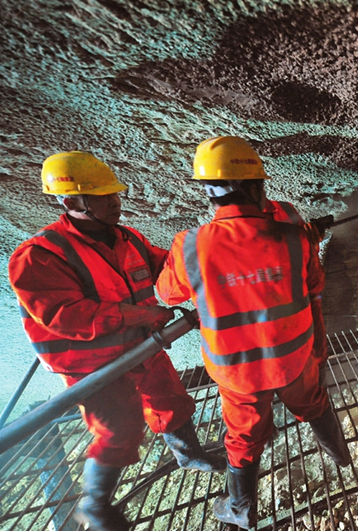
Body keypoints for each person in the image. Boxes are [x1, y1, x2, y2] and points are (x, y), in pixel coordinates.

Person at [8, 151, 226, 531]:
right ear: (72, 201)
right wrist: (144, 316)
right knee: (118, 431)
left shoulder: (127, 238)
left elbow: (165, 268)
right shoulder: (39, 256)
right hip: (95, 366)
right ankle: (94, 506)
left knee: (170, 399)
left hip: (144, 347)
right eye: (102, 196)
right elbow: (65, 315)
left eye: (114, 194)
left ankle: (189, 455)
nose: (114, 202)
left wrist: (210, 267)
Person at [156, 136, 351, 530]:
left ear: (209, 194)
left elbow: (165, 292)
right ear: (259, 187)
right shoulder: (295, 238)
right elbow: (314, 285)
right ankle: (340, 455)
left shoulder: (189, 246)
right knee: (312, 402)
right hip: (293, 359)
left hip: (238, 372)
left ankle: (242, 511)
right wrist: (306, 240)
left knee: (243, 439)